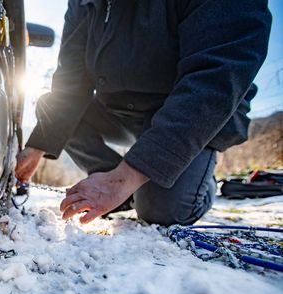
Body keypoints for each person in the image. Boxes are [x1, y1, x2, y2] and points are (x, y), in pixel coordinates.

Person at [15, 0, 271, 226]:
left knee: (162, 210)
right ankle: (115, 181)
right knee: (51, 107)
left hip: (190, 114)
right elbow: (71, 80)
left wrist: (125, 178)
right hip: (119, 111)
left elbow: (216, 78)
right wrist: (39, 144)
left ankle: (194, 178)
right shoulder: (82, 3)